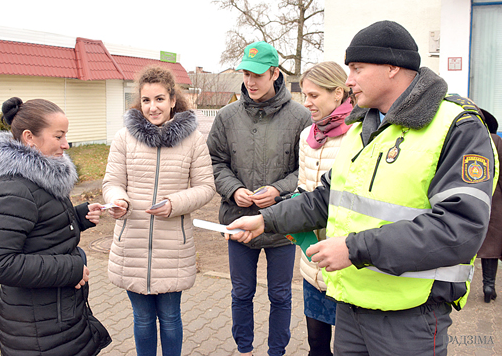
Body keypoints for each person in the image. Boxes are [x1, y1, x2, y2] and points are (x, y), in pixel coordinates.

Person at [226, 21, 498, 356]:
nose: (349, 80)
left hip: (410, 317)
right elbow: (325, 198)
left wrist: (355, 249)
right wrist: (266, 220)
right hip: (352, 306)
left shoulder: (457, 127)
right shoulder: (361, 127)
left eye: (356, 68)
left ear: (393, 67)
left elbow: (459, 229)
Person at [0, 97, 112, 356]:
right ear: (29, 137)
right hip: (36, 333)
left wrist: (78, 217)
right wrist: (72, 268)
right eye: (58, 136)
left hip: (56, 317)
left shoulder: (40, 176)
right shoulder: (11, 188)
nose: (66, 144)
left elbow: (40, 230)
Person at [206, 41, 311, 356]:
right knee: (241, 293)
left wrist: (279, 190)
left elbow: (305, 170)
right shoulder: (226, 117)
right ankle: (244, 349)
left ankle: (277, 351)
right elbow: (214, 163)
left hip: (281, 225)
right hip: (237, 222)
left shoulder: (300, 117)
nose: (250, 81)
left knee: (280, 295)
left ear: (275, 72)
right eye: (245, 74)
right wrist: (233, 189)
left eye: (257, 74)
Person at [102, 66, 215, 356]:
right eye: (146, 100)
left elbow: (205, 187)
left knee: (170, 318)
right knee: (141, 319)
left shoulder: (193, 139)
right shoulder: (124, 138)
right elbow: (112, 182)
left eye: (160, 99)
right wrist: (118, 200)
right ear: (139, 103)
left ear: (173, 100)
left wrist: (175, 204)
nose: (153, 107)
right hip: (132, 241)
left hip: (172, 246)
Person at [298, 61, 354, 356]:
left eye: (314, 96)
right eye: (304, 95)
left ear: (338, 93)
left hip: (345, 261)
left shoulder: (358, 135)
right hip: (312, 261)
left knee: (349, 346)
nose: (307, 102)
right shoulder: (307, 136)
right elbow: (303, 188)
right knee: (317, 345)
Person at [477, 108, 502, 303]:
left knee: (464, 242)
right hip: (494, 198)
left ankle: (459, 287)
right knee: (490, 245)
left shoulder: (463, 137)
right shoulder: (496, 141)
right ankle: (488, 286)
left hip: (468, 197)